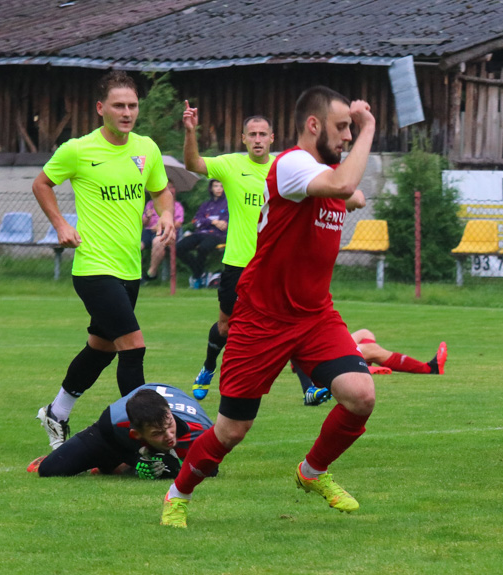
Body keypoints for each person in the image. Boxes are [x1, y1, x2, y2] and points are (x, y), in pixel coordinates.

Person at [160, 85, 373, 528]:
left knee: (360, 396)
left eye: (352, 128)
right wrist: (369, 125)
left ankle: (312, 473)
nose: (349, 136)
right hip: (262, 318)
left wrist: (344, 186)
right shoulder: (294, 163)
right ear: (313, 126)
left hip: (314, 315)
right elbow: (348, 186)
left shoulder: (321, 175)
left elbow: (353, 195)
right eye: (342, 127)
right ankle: (177, 495)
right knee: (230, 431)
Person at [32, 70, 175, 452]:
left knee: (102, 348)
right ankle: (146, 440)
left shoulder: (147, 149)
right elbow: (41, 183)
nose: (127, 112)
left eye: (132, 106)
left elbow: (161, 190)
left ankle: (56, 412)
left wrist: (166, 214)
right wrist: (60, 223)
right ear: (101, 109)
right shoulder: (78, 150)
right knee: (133, 347)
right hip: (94, 268)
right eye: (119, 105)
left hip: (129, 269)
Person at [181, 105, 275, 399]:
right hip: (237, 262)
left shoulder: (283, 168)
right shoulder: (231, 164)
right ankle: (209, 367)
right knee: (225, 326)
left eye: (263, 134)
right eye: (252, 134)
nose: (258, 139)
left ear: (272, 138)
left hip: (272, 265)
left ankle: (310, 385)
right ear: (243, 139)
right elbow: (192, 163)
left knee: (284, 326)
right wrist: (190, 131)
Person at [29, 384, 213, 479]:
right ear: (136, 434)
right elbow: (110, 441)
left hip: (156, 401)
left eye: (170, 426)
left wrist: (174, 469)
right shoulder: (115, 421)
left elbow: (211, 469)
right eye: (157, 433)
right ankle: (109, 464)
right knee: (50, 469)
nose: (169, 436)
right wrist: (135, 461)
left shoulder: (200, 431)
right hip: (114, 435)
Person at [298, 329, 448, 406]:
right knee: (371, 349)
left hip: (323, 345)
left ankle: (363, 365)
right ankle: (429, 368)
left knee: (365, 333)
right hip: (321, 353)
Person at [175, 179, 228, 288]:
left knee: (203, 248)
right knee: (179, 248)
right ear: (211, 188)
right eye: (216, 186)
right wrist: (213, 221)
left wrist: (207, 221)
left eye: (221, 186)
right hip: (200, 233)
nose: (218, 189)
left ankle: (198, 277)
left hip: (217, 235)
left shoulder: (228, 204)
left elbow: (224, 225)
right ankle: (199, 273)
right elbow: (196, 221)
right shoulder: (206, 205)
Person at [141, 180, 185, 282]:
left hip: (166, 232)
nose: (170, 189)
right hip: (149, 231)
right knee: (136, 245)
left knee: (157, 241)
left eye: (171, 187)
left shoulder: (177, 206)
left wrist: (161, 226)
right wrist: (147, 217)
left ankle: (151, 273)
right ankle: (137, 275)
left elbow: (178, 223)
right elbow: (144, 223)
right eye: (167, 187)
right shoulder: (150, 204)